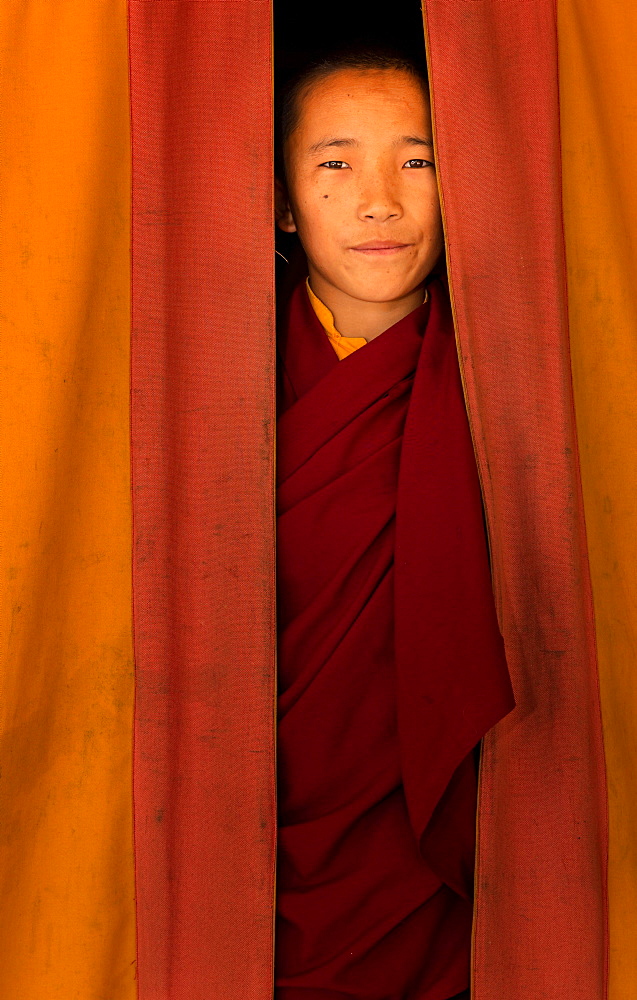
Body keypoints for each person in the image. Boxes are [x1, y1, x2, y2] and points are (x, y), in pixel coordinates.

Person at [274, 49, 514, 1000]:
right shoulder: (210, 381)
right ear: (284, 200)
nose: (380, 200)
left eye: (418, 161)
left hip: (440, 860)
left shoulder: (514, 382)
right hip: (264, 835)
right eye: (336, 163)